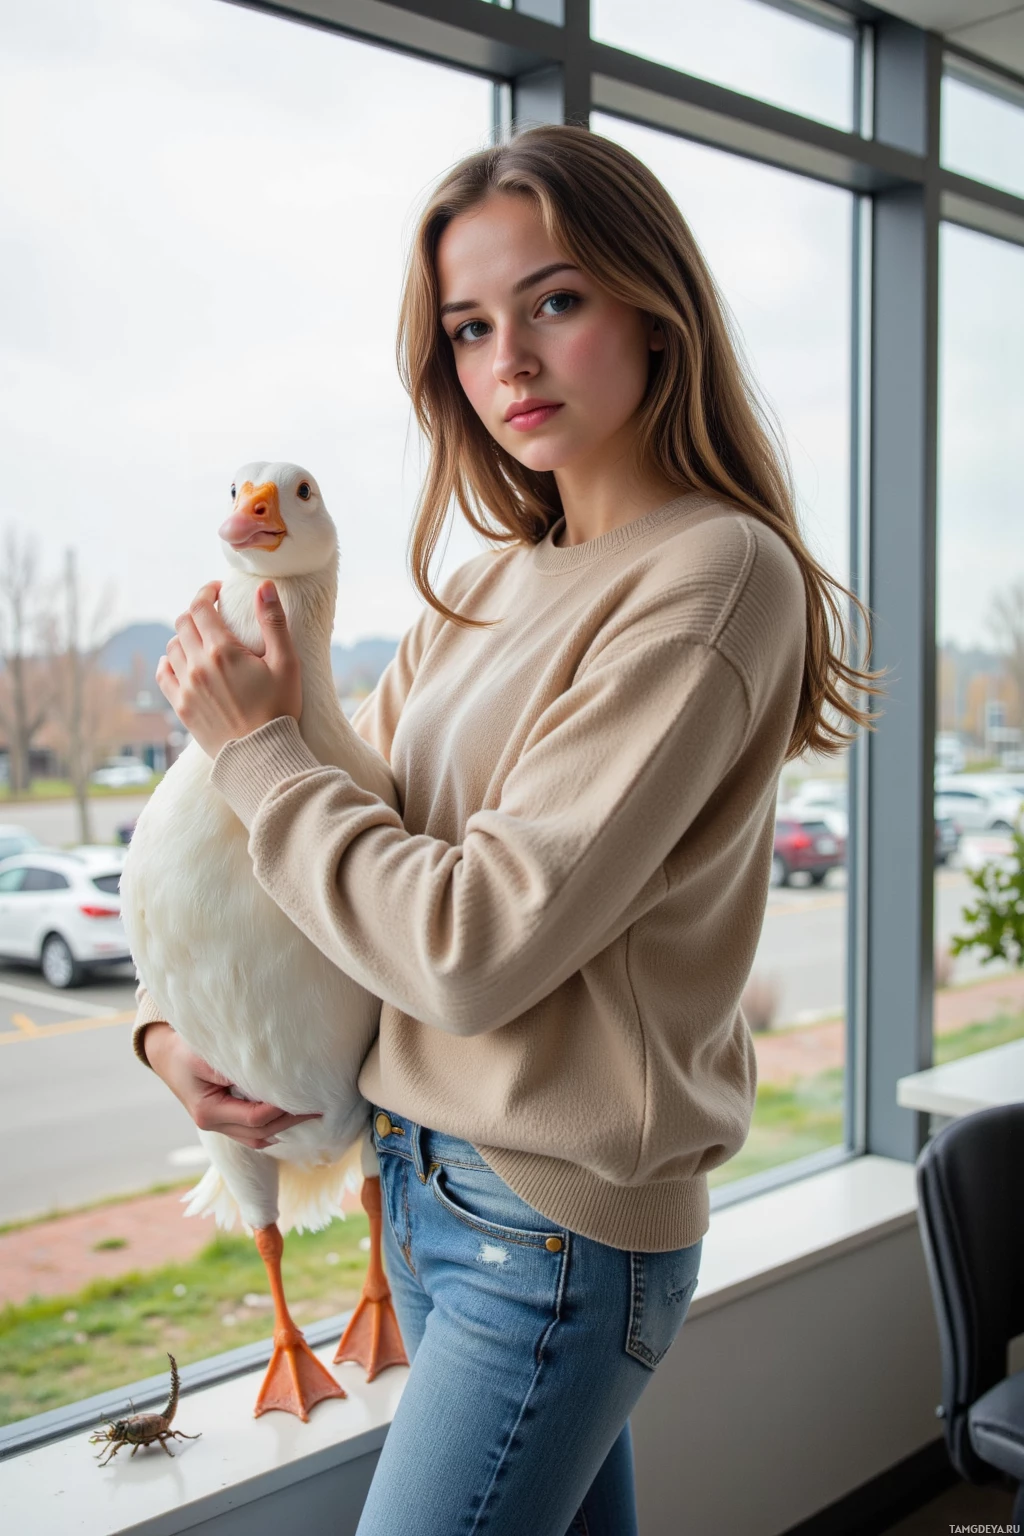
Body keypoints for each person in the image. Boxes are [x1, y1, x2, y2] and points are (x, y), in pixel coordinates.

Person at [134, 124, 881, 1535]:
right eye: (471, 328)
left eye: (554, 301)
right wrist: (172, 1039)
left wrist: (255, 750)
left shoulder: (714, 577)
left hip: (549, 1231)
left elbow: (471, 947)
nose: (509, 365)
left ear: (654, 307)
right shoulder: (491, 580)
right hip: (420, 1193)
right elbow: (339, 871)